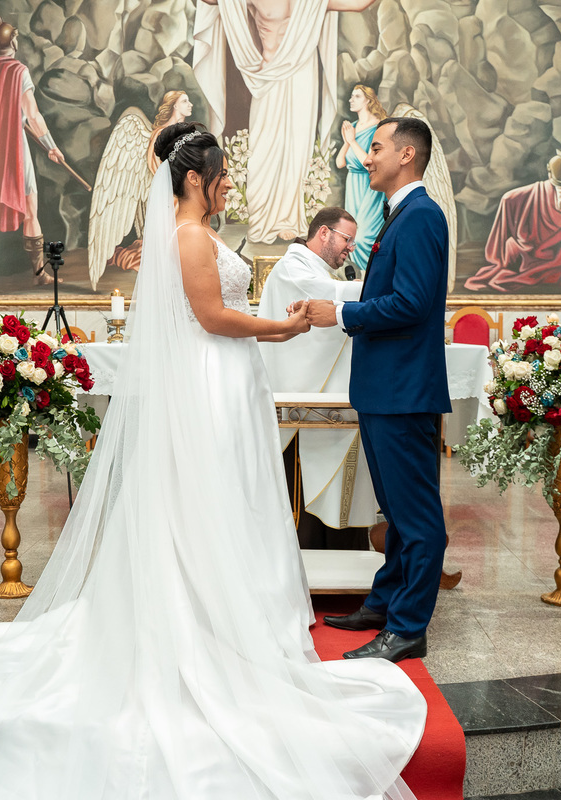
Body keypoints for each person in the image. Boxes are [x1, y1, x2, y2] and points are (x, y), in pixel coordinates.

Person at [0, 122, 425, 800]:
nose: (230, 182)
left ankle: (227, 619)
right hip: (211, 376)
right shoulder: (189, 236)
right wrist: (279, 328)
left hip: (224, 379)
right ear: (196, 178)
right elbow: (212, 317)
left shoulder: (193, 231)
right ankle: (203, 628)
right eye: (223, 173)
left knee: (220, 502)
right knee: (201, 502)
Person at [304, 117, 451, 663]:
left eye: (377, 147)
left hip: (403, 389)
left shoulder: (420, 216)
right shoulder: (402, 214)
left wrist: (339, 312)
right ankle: (386, 603)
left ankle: (409, 627)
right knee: (395, 509)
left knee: (416, 516)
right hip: (386, 388)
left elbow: (410, 304)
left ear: (407, 155)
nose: (367, 157)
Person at [192, 0, 375, 242]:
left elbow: (357, 4)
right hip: (266, 78)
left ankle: (289, 218)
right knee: (263, 148)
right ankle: (262, 218)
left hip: (302, 73)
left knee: (296, 150)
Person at [257, 207, 379, 537]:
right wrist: (376, 290)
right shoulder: (292, 268)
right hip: (301, 399)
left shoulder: (318, 271)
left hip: (329, 401)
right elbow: (320, 298)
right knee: (306, 490)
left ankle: (342, 556)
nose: (351, 247)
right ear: (323, 233)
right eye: (347, 239)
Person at [0, 16, 66, 287]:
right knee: (31, 208)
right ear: (12, 41)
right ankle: (39, 274)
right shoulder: (18, 71)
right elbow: (33, 114)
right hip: (12, 150)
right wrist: (51, 147)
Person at [463, 149, 561, 291]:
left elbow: (509, 196)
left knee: (511, 246)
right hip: (560, 269)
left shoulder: (536, 191)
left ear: (549, 172)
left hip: (528, 260)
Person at [336, 85, 387, 271]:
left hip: (370, 187)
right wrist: (346, 142)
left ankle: (374, 274)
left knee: (365, 236)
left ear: (368, 100)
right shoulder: (354, 127)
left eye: (356, 96)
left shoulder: (379, 127)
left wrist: (352, 141)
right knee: (353, 236)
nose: (351, 99)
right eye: (351, 96)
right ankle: (362, 279)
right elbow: (341, 162)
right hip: (353, 186)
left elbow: (368, 162)